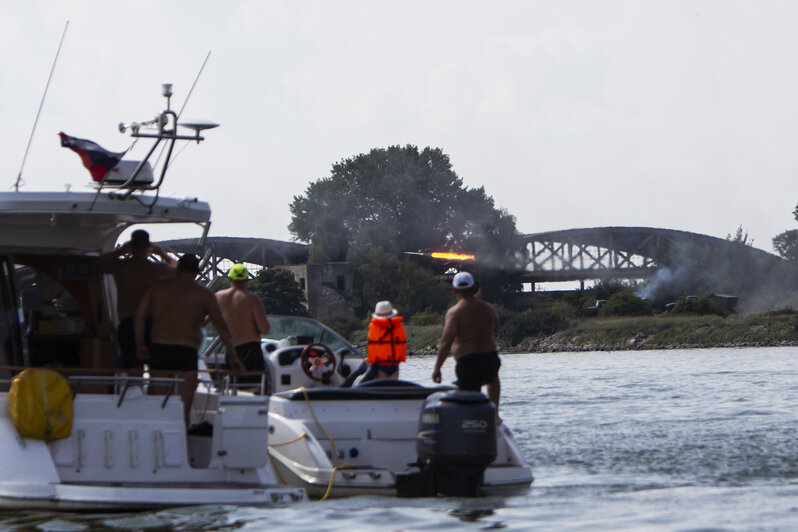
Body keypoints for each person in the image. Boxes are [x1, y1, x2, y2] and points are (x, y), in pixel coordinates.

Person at [135, 254, 245, 427]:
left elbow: (139, 317)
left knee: (157, 406)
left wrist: (140, 344)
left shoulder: (156, 288)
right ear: (198, 271)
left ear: (177, 268)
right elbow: (221, 327)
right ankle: (182, 448)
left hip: (159, 348)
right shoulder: (204, 294)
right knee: (183, 409)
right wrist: (232, 355)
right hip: (186, 351)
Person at [97, 229, 176, 369]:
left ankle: (133, 389)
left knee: (131, 367)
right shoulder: (156, 269)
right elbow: (183, 271)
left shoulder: (120, 267)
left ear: (130, 247)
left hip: (127, 321)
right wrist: (162, 254)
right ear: (148, 248)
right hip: (152, 322)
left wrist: (120, 252)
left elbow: (96, 264)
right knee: (156, 368)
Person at [432, 271, 501, 411]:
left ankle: (473, 420)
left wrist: (437, 368)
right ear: (474, 288)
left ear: (454, 290)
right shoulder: (488, 309)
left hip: (469, 363)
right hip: (490, 359)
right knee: (493, 379)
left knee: (471, 398)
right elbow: (494, 323)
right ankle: (494, 414)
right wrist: (478, 299)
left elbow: (446, 341)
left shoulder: (455, 312)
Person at [215, 263, 272, 393]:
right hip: (250, 350)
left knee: (233, 389)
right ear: (246, 280)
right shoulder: (252, 299)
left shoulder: (218, 297)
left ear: (230, 279)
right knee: (255, 389)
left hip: (230, 350)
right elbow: (264, 328)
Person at [367, 301, 407, 380]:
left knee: (382, 388)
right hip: (394, 364)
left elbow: (370, 345)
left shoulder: (374, 326)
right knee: (392, 388)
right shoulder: (399, 326)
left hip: (381, 365)